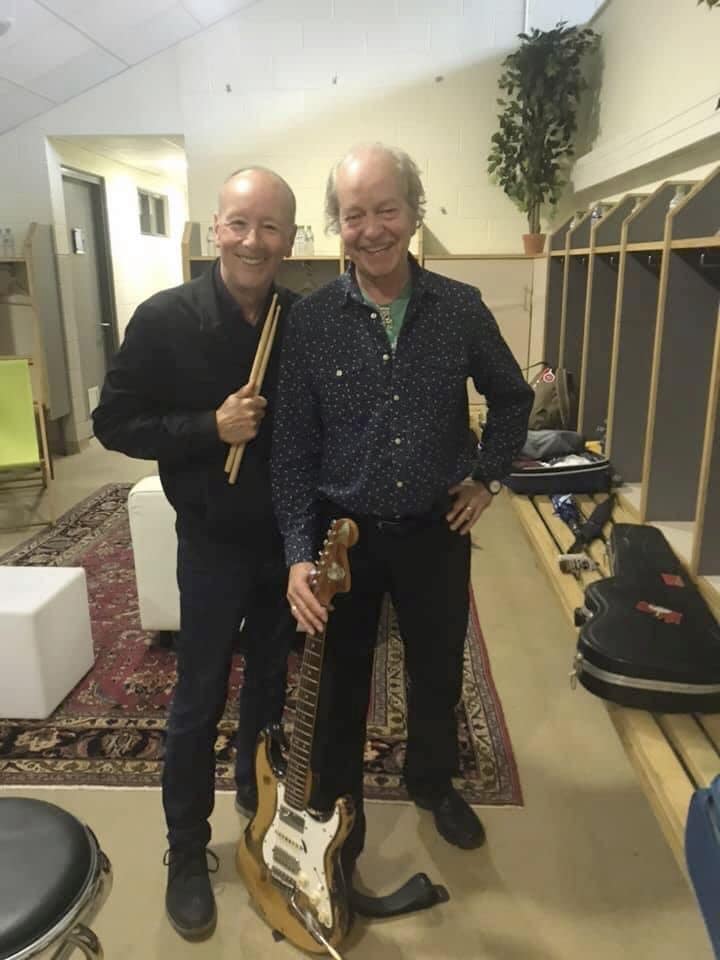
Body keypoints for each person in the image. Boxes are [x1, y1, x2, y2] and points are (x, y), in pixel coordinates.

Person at [272, 144, 533, 876]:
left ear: (414, 213)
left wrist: (486, 478)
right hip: (343, 539)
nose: (373, 229)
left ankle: (432, 782)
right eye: (355, 215)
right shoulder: (311, 321)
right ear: (338, 225)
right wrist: (296, 553)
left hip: (434, 531)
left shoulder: (461, 308)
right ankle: (335, 800)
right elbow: (291, 449)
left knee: (437, 667)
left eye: (387, 209)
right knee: (339, 678)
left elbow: (513, 399)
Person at [92, 167, 299, 941]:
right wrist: (209, 427)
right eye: (239, 223)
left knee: (271, 685)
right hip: (210, 541)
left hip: (286, 541)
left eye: (270, 226)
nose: (253, 240)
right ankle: (186, 848)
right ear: (216, 228)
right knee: (199, 694)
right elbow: (113, 423)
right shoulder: (163, 319)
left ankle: (257, 801)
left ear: (289, 238)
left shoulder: (301, 321)